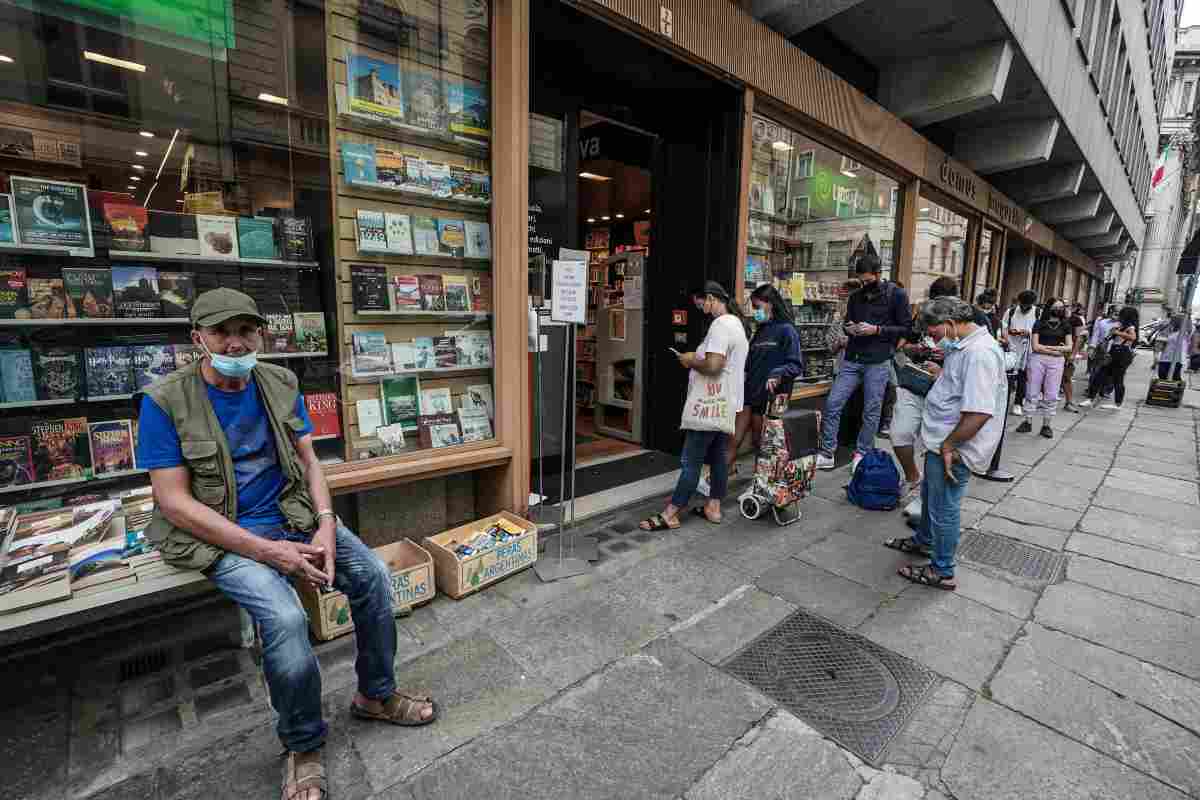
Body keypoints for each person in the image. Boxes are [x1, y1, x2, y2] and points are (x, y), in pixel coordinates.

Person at [135, 289, 437, 800]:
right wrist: (267, 552)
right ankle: (302, 745)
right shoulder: (164, 401)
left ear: (260, 336)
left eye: (245, 332)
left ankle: (375, 695)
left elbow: (311, 461)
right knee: (287, 619)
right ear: (198, 340)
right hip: (225, 534)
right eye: (220, 333)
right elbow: (174, 503)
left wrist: (324, 523)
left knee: (371, 577)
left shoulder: (279, 381)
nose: (235, 343)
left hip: (293, 515)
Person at [883, 297, 1006, 590]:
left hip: (954, 446)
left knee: (944, 507)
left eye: (935, 333)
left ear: (950, 324)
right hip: (943, 440)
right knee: (931, 494)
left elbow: (979, 412)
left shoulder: (979, 353)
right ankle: (924, 541)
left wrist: (950, 446)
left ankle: (942, 570)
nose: (933, 340)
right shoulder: (965, 347)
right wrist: (942, 376)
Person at [641, 281, 748, 530]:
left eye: (701, 303)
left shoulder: (721, 325)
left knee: (691, 460)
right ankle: (714, 507)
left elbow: (713, 365)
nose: (700, 308)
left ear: (711, 298)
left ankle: (671, 512)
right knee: (719, 458)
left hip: (709, 405)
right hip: (725, 404)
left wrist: (690, 360)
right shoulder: (737, 324)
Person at [816, 254, 911, 472]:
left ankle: (863, 452)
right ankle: (827, 452)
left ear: (879, 274)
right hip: (853, 357)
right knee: (832, 403)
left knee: (871, 409)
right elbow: (849, 320)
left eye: (869, 281)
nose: (865, 285)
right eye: (862, 281)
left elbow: (907, 329)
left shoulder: (896, 295)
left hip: (878, 360)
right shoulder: (856, 296)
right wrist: (849, 328)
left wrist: (876, 330)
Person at [890, 275, 960, 505]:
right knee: (899, 434)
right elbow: (902, 348)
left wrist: (946, 359)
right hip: (914, 383)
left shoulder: (968, 320)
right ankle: (913, 478)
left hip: (945, 392)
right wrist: (918, 349)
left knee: (935, 446)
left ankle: (929, 498)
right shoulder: (923, 316)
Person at [727, 284, 804, 473]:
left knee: (761, 444)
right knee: (733, 439)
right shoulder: (760, 331)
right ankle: (716, 480)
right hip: (750, 393)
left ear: (770, 304)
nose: (755, 312)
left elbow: (796, 365)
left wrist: (777, 373)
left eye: (757, 306)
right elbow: (749, 363)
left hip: (772, 399)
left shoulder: (787, 331)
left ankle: (760, 482)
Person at [1015, 298, 1072, 438]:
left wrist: (1048, 348)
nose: (1059, 309)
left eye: (1061, 307)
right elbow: (1035, 346)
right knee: (1031, 390)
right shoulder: (1039, 323)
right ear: (1049, 308)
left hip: (1056, 362)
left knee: (1052, 393)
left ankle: (1046, 425)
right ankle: (1027, 421)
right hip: (1038, 359)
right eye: (1056, 307)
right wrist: (1057, 350)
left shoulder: (1066, 325)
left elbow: (1069, 347)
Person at [1080, 305, 1139, 409]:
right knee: (1099, 375)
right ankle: (1090, 398)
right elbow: (1109, 338)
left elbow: (1133, 337)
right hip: (1114, 352)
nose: (1119, 315)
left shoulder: (1130, 327)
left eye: (1121, 314)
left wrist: (1117, 332)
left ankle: (1117, 403)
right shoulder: (1121, 326)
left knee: (1118, 379)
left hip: (1122, 353)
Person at [999, 290, 1038, 415]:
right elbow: (1004, 327)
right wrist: (1007, 337)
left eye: (1027, 307)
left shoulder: (1037, 313)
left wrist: (1028, 333)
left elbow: (1038, 330)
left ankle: (1018, 403)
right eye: (1022, 305)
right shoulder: (1010, 312)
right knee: (1007, 376)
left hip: (1028, 351)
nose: (1024, 308)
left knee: (1023, 377)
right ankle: (1003, 400)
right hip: (1011, 348)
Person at [1156, 313, 1192, 381]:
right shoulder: (1169, 330)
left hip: (1176, 359)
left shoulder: (1183, 332)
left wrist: (1188, 315)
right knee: (1162, 375)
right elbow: (1160, 343)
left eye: (1173, 320)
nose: (1171, 321)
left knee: (1174, 378)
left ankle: (1177, 390)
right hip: (1165, 358)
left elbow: (1189, 328)